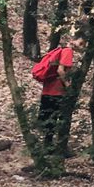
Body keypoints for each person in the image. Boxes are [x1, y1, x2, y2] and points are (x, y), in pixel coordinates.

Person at [37, 32, 85, 169]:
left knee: (49, 120)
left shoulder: (61, 49)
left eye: (83, 45)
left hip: (48, 90)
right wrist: (68, 86)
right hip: (56, 92)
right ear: (72, 40)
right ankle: (60, 148)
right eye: (80, 43)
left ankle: (48, 146)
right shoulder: (68, 51)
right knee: (60, 119)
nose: (81, 47)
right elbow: (60, 70)